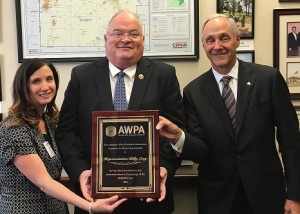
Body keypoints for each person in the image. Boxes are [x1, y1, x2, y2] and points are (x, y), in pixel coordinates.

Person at [156, 14, 300, 214]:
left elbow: (291, 142)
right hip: (217, 199)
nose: (217, 46)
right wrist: (179, 137)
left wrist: (295, 195)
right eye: (210, 40)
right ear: (204, 46)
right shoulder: (193, 92)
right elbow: (201, 150)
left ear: (237, 40)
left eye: (224, 38)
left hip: (266, 195)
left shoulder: (268, 79)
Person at [56, 9, 185, 214]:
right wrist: (81, 172)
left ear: (142, 39)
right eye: (118, 33)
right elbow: (66, 132)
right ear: (106, 38)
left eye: (133, 34)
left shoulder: (164, 75)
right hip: (96, 199)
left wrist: (165, 169)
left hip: (149, 202)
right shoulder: (82, 76)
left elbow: (177, 132)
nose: (126, 39)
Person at [0, 58, 126, 213]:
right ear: (23, 87)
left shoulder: (50, 121)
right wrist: (90, 206)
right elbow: (43, 181)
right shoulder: (14, 127)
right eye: (36, 81)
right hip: (24, 209)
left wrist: (84, 172)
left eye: (49, 79)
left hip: (55, 208)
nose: (45, 87)